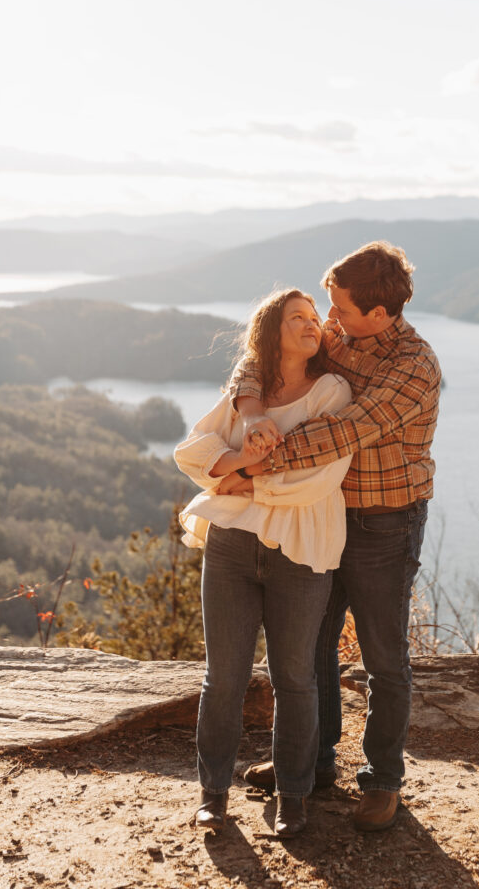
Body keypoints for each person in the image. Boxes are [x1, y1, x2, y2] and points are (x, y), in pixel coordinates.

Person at [228, 241, 441, 832]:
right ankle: (312, 762)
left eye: (340, 310)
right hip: (322, 516)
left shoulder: (414, 366)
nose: (329, 322)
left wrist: (255, 462)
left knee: (382, 655)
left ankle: (382, 781)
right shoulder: (341, 332)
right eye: (329, 309)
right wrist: (250, 416)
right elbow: (262, 357)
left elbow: (343, 431)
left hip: (385, 524)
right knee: (309, 647)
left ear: (380, 313)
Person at [174, 288, 352, 837]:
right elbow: (191, 450)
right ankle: (213, 794)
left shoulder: (330, 391)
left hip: (299, 550)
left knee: (294, 676)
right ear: (270, 330)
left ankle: (293, 797)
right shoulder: (244, 394)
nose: (312, 324)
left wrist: (240, 479)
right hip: (230, 546)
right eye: (297, 317)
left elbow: (320, 478)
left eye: (315, 318)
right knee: (222, 677)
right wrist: (235, 461)